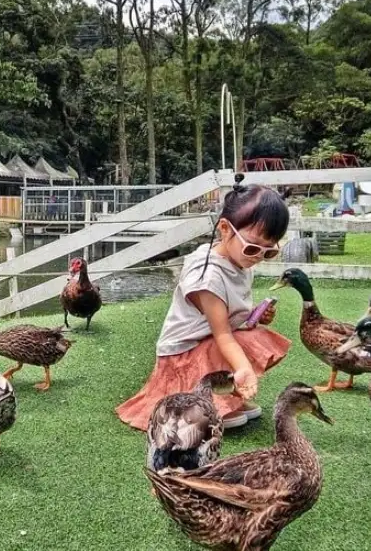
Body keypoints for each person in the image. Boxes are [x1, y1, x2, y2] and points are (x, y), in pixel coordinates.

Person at [116, 174, 292, 431]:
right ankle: (208, 403)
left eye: (270, 251)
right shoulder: (207, 276)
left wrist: (253, 316)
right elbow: (222, 334)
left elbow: (228, 321)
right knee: (238, 346)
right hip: (184, 353)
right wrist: (243, 369)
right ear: (224, 230)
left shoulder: (239, 260)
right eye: (253, 248)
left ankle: (225, 399)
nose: (259, 257)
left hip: (207, 340)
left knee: (256, 335)